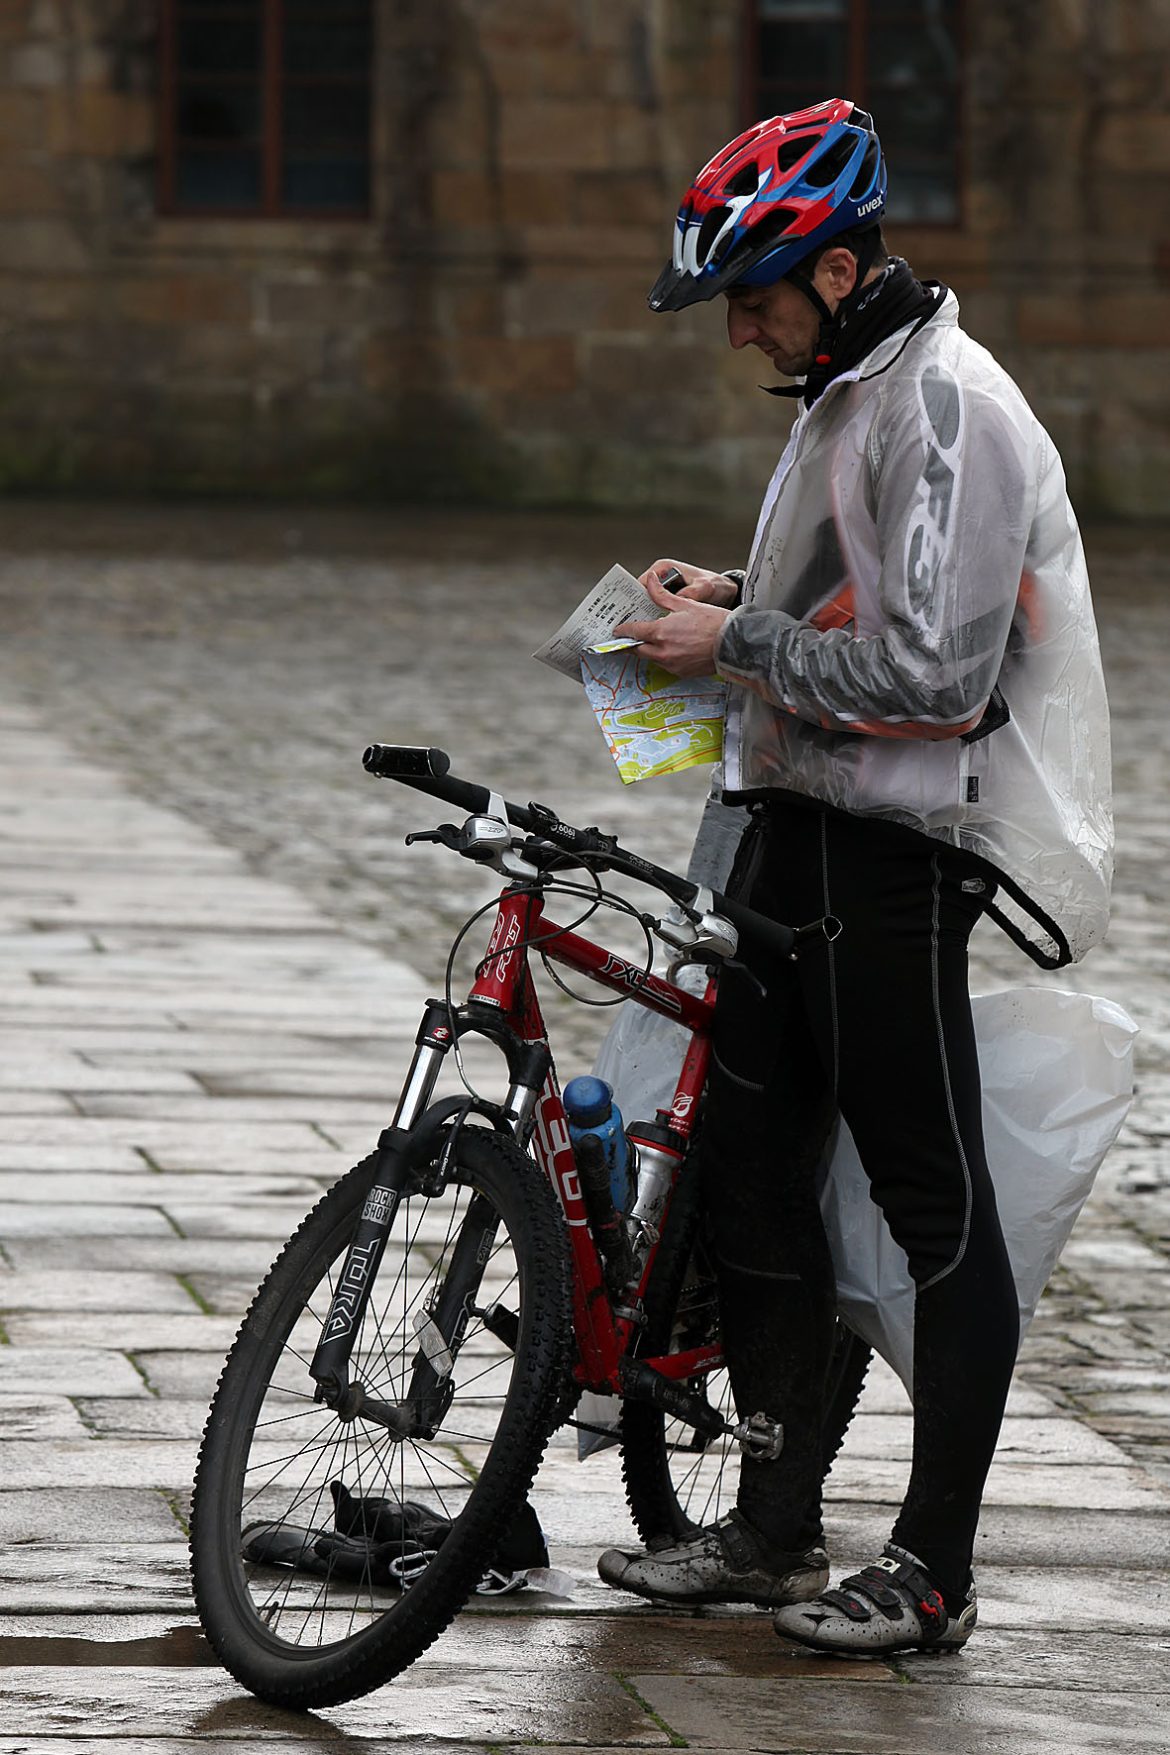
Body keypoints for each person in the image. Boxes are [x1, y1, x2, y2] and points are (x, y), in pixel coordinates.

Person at [595, 98, 1112, 1656]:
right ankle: (768, 1531)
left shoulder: (945, 405)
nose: (735, 329)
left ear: (834, 271)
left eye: (749, 296)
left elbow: (940, 674)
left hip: (892, 859)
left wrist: (736, 639)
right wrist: (732, 597)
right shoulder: (847, 388)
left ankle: (934, 1569)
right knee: (752, 1181)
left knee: (930, 1204)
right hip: (789, 836)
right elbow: (862, 601)